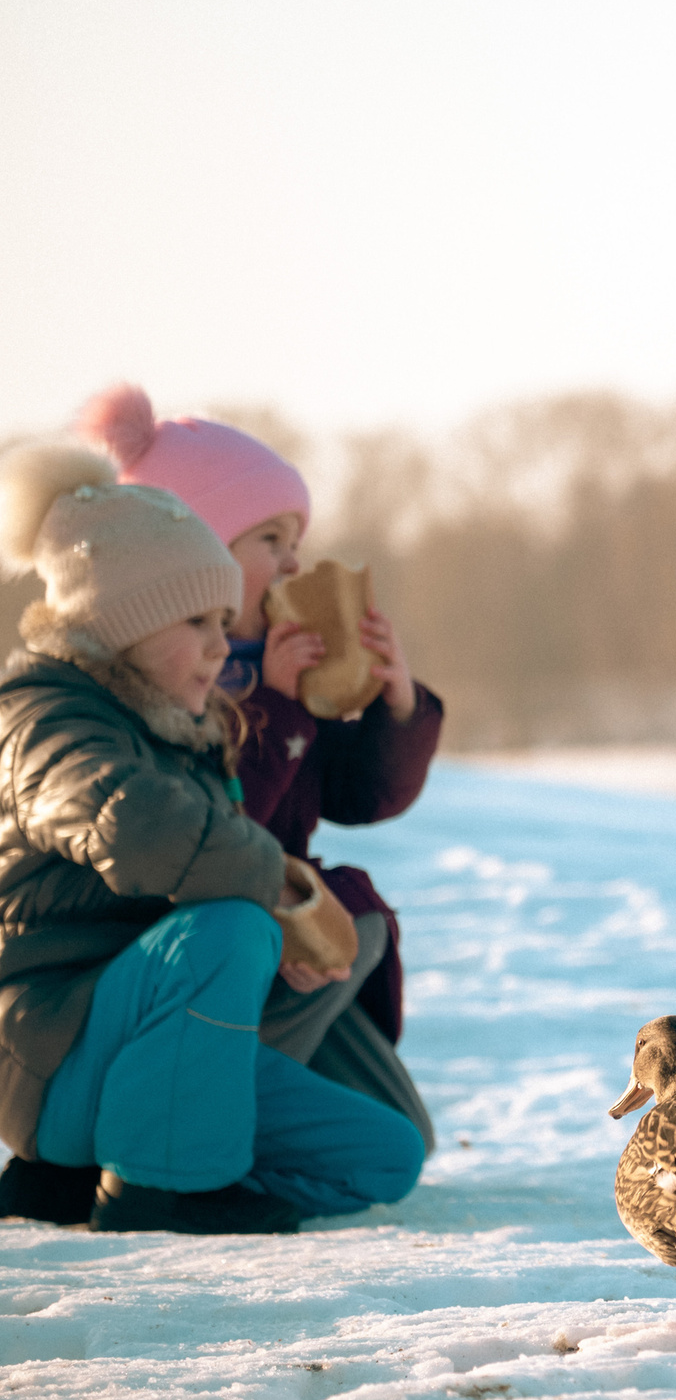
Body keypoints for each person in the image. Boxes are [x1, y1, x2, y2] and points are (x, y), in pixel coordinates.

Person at [0, 443, 424, 1232]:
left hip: (134, 1051)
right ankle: (156, 1187)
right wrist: (273, 890)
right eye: (196, 621)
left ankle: (88, 1175)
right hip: (50, 1047)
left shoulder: (181, 731)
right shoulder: (45, 718)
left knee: (387, 1153)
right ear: (122, 620)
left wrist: (285, 938)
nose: (220, 645)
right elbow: (131, 827)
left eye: (224, 622)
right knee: (230, 923)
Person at [75, 386, 439, 1151]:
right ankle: (210, 1109)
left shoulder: (279, 667)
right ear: (195, 553)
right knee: (354, 922)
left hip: (289, 933)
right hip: (215, 942)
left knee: (405, 1132)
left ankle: (272, 1108)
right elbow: (216, 824)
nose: (292, 563)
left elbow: (358, 793)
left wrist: (394, 705)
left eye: (295, 539)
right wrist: (273, 704)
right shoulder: (171, 682)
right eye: (269, 539)